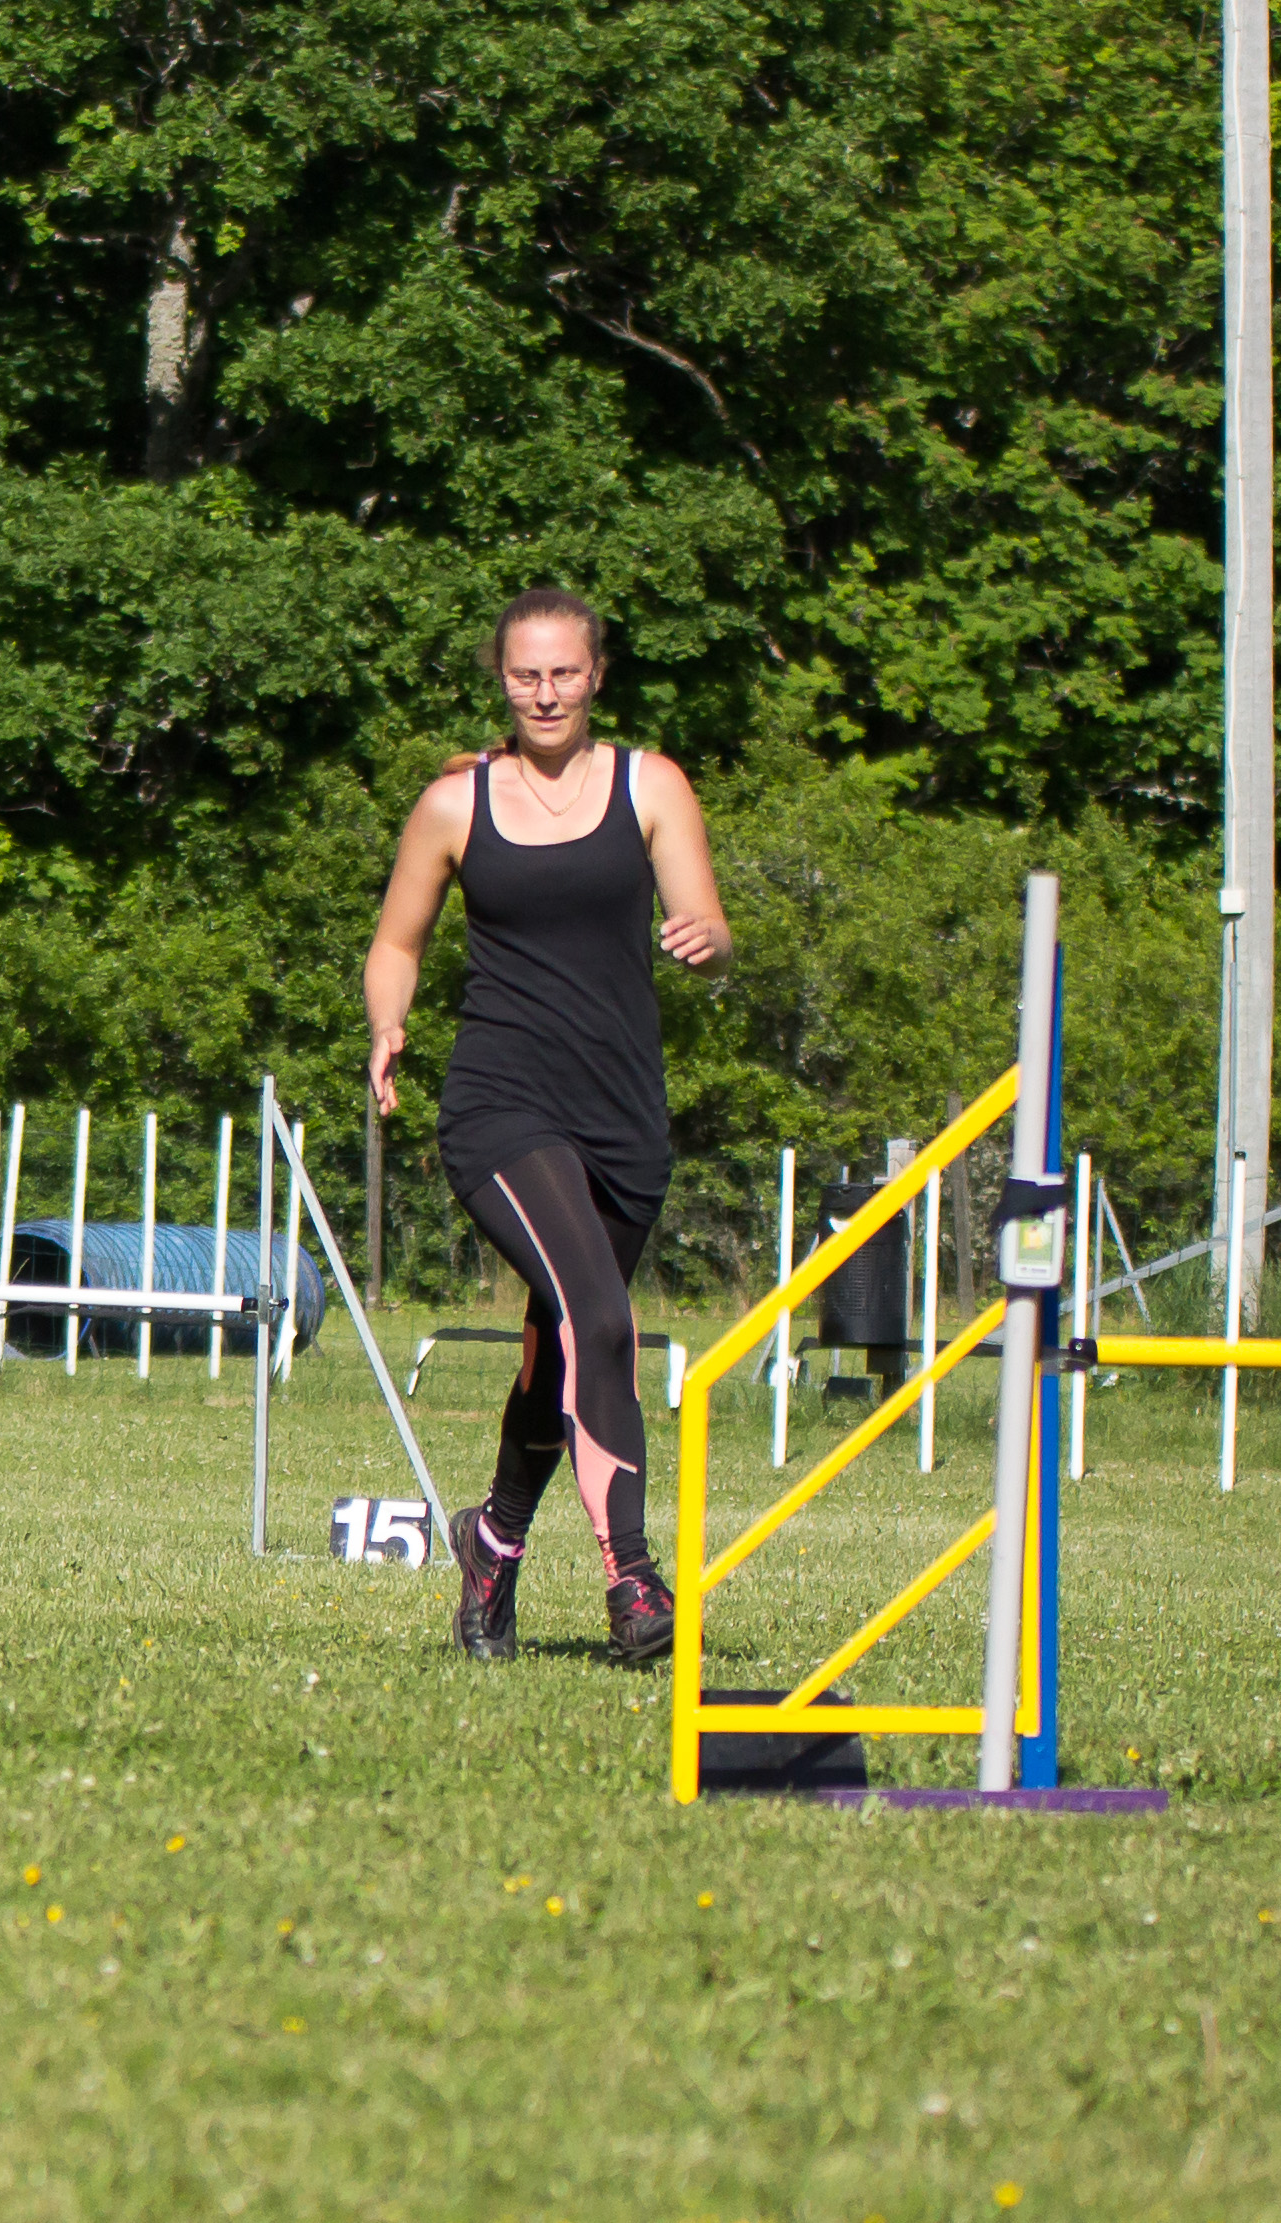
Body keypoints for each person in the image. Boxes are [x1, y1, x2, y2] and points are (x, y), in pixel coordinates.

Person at [362, 588, 733, 1663]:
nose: (544, 692)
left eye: (563, 672)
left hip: (621, 1113)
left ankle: (490, 1544)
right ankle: (633, 1579)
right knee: (599, 1319)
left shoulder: (649, 784)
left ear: (596, 675)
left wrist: (706, 938)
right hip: (501, 1105)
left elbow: (706, 915)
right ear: (501, 679)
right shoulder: (456, 803)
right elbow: (398, 940)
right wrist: (389, 1024)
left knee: (555, 1352)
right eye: (525, 674)